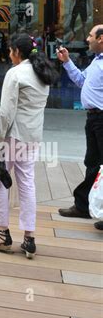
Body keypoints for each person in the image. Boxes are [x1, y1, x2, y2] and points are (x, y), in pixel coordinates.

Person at [0, 34, 58, 258]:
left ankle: (1, 233)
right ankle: (29, 238)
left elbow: (5, 113)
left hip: (12, 136)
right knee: (27, 184)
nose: (8, 53)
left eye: (10, 50)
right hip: (32, 136)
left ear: (16, 51)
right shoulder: (43, 73)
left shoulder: (15, 74)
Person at [57, 25, 103, 229]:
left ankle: (85, 203)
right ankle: (83, 206)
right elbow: (82, 81)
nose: (87, 39)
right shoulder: (97, 61)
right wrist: (67, 62)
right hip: (94, 119)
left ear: (101, 39)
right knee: (92, 162)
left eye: (91, 36)